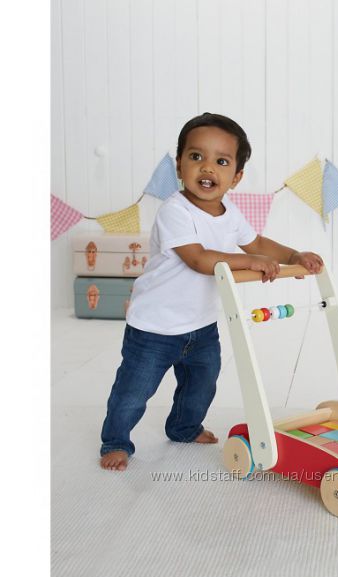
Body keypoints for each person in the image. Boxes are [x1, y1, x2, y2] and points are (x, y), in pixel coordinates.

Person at [100, 113, 323, 470]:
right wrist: (251, 262)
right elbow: (199, 259)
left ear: (236, 177)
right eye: (196, 156)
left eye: (221, 161)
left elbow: (257, 243)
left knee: (201, 385)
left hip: (201, 325)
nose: (207, 168)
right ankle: (115, 441)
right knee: (133, 392)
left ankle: (184, 428)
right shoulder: (175, 212)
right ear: (178, 165)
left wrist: (293, 256)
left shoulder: (230, 212)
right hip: (154, 328)